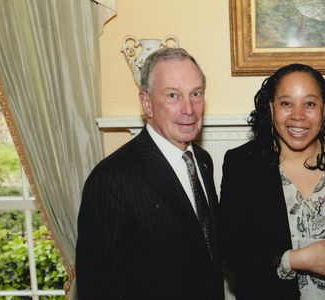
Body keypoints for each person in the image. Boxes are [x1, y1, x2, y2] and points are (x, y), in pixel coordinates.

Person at [76, 47, 223, 299]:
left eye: (196, 94)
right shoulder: (111, 179)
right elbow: (97, 289)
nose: (189, 109)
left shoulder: (202, 160)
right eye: (173, 95)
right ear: (147, 103)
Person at [219, 63, 325, 299]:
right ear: (271, 108)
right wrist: (295, 260)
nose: (298, 116)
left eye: (310, 104)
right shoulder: (243, 164)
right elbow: (234, 253)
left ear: (324, 109)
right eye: (286, 103)